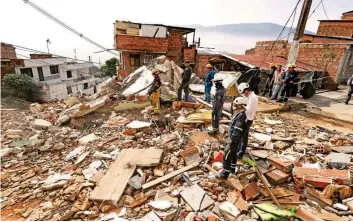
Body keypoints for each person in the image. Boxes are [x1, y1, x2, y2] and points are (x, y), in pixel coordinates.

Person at [216, 97, 248, 179]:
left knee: (227, 154)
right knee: (233, 154)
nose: (235, 107)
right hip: (235, 139)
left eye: (237, 105)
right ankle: (232, 169)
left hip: (234, 140)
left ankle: (224, 174)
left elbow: (237, 130)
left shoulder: (241, 117)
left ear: (242, 106)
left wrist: (232, 141)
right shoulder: (241, 114)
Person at [236, 82, 258, 158]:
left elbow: (250, 110)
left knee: (244, 137)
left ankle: (241, 153)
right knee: (242, 136)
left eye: (243, 93)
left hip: (248, 119)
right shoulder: (250, 97)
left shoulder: (253, 97)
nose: (244, 94)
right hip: (247, 118)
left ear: (246, 90)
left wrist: (242, 107)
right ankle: (239, 150)